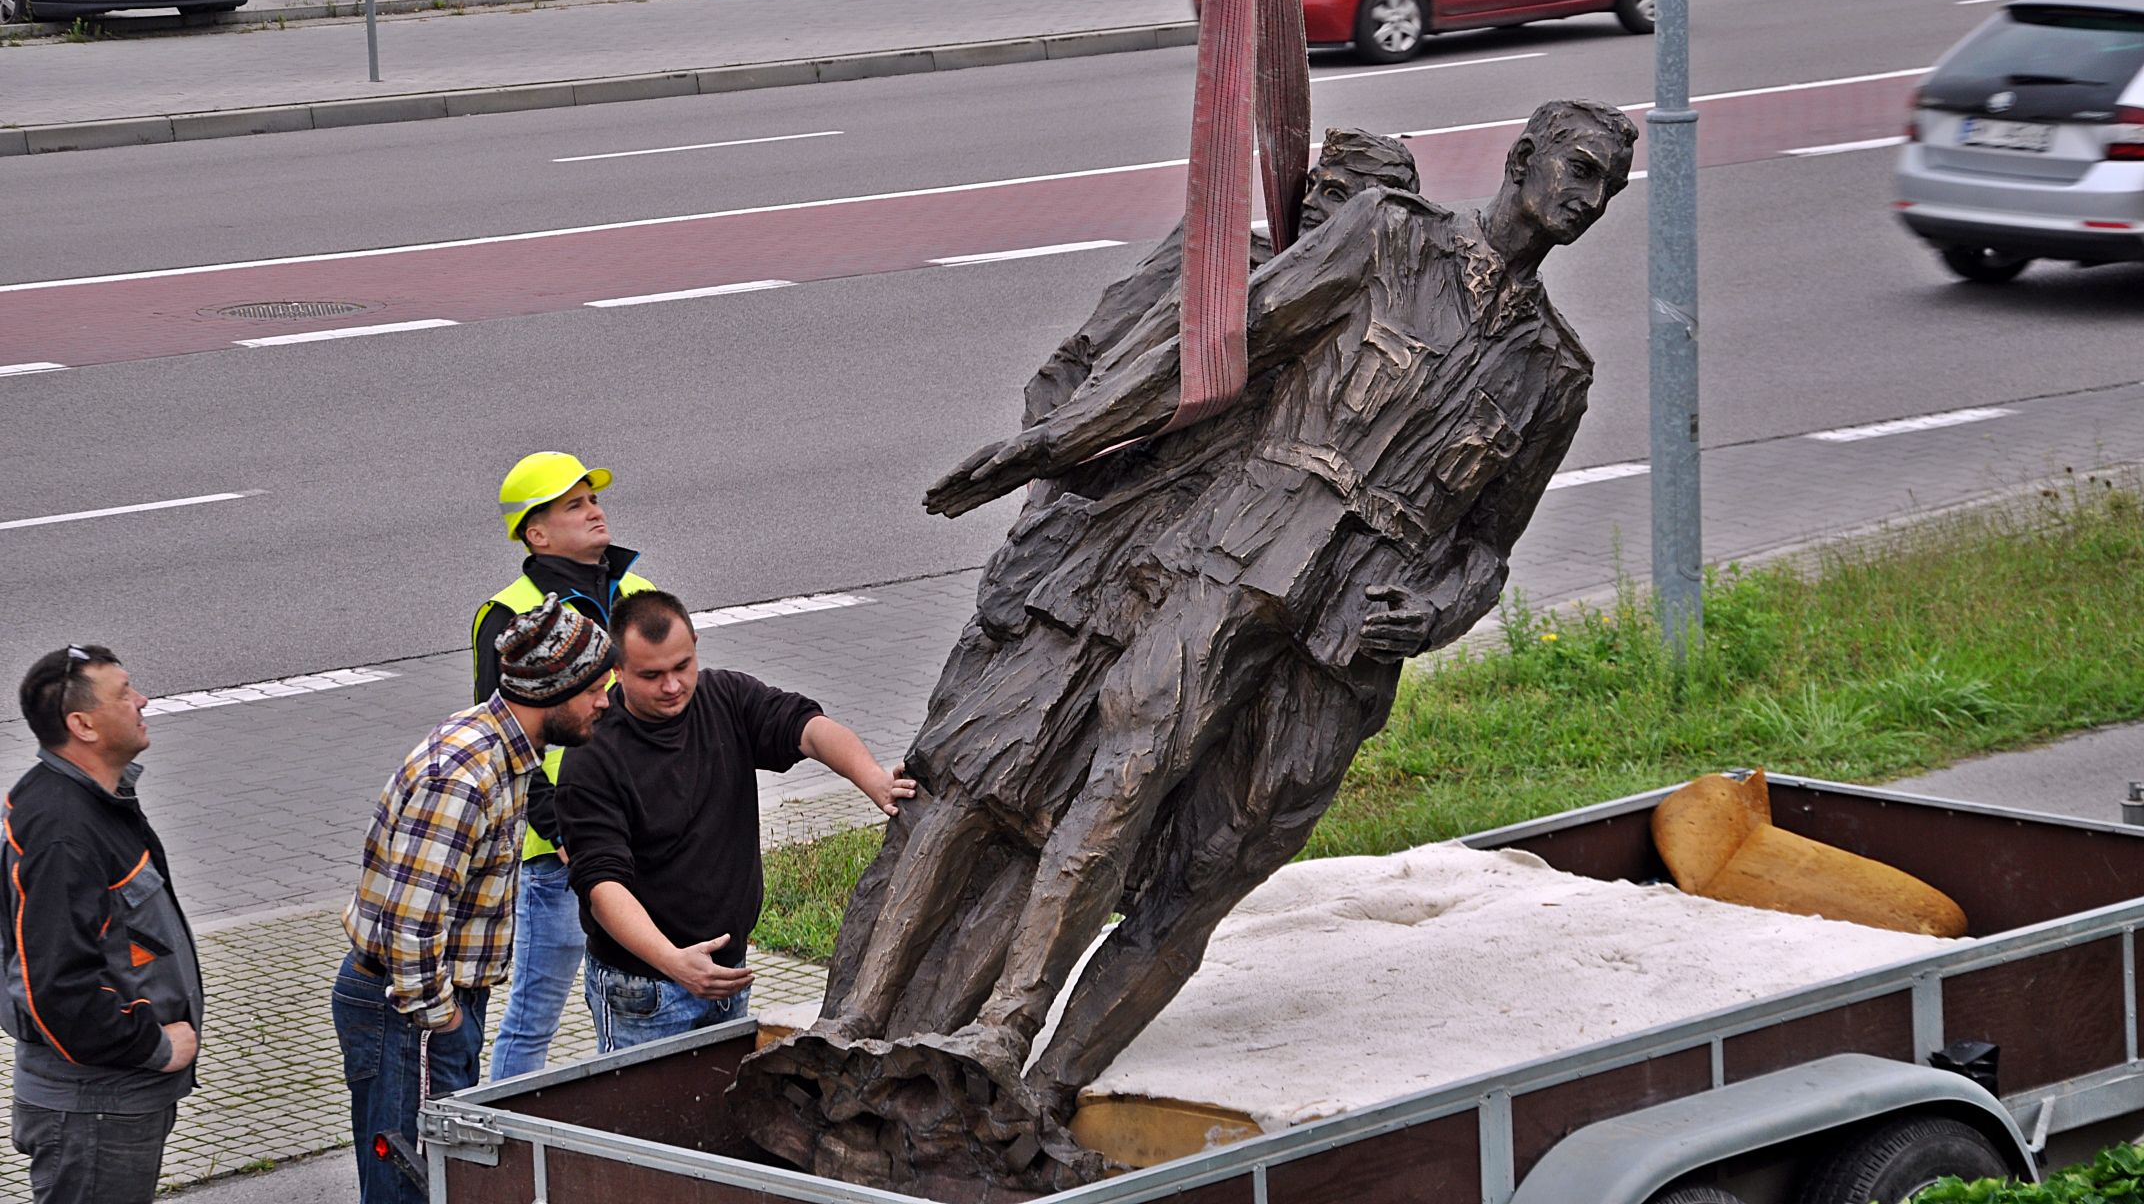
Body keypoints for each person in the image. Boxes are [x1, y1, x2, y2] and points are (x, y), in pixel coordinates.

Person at [739, 104, 1639, 1187]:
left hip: (1341, 643)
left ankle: (1038, 1091)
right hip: (1235, 553)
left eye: (1605, 188)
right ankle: (994, 1029)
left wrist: (1438, 609)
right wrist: (1046, 445)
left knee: (1209, 869)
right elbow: (1207, 353)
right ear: (1522, 158)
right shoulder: (1386, 236)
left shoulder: (1554, 371)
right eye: (1576, 170)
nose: (1584, 200)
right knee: (1117, 782)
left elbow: (1488, 543)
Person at [334, 596, 613, 1204]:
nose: (604, 700)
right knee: (410, 1189)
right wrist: (446, 1020)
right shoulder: (465, 775)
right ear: (552, 689)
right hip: (409, 1011)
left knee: (439, 1182)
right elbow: (409, 930)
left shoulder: (503, 754)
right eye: (594, 687)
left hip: (425, 1005)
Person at [554, 589, 915, 1053]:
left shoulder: (726, 697)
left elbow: (807, 729)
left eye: (682, 666)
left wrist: (875, 781)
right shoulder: (592, 759)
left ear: (696, 647)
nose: (672, 686)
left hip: (728, 973)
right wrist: (674, 963)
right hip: (645, 989)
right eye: (652, 675)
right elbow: (603, 887)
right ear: (616, 671)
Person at [474, 451, 655, 1082]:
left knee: (641, 1001)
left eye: (593, 498)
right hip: (557, 855)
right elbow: (504, 740)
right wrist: (563, 834)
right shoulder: (508, 611)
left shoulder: (637, 593)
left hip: (639, 836)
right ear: (536, 530)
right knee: (533, 1018)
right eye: (573, 504)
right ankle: (501, 1147)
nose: (594, 511)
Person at [3, 646, 202, 1204]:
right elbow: (57, 988)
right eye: (124, 693)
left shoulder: (84, 802)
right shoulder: (63, 831)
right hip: (95, 1106)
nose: (141, 701)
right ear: (82, 724)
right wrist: (154, 1047)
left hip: (108, 1100)